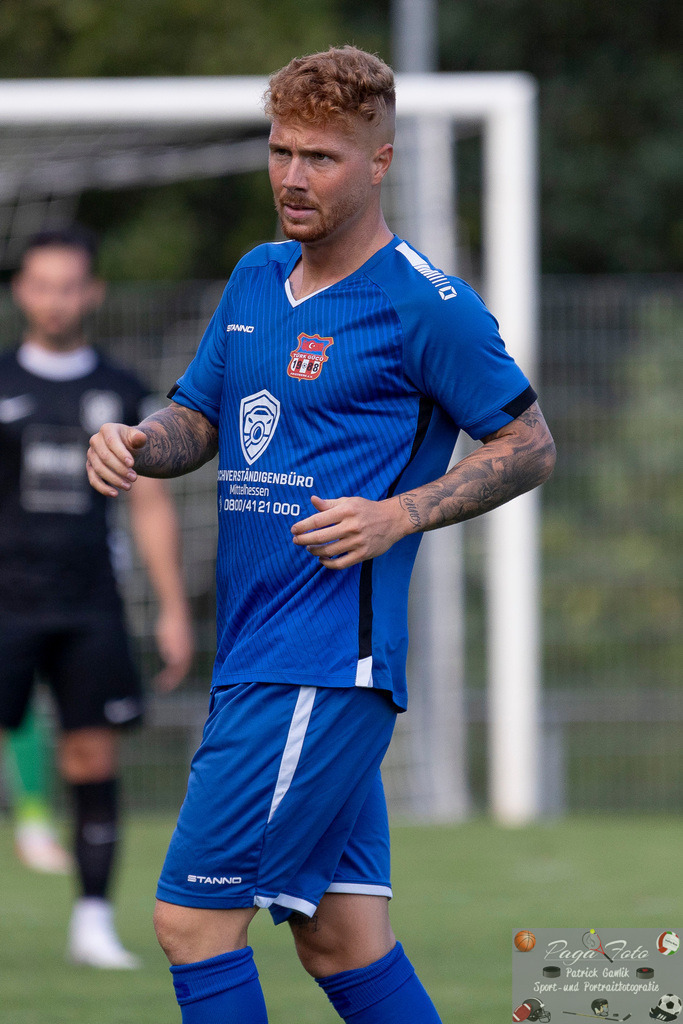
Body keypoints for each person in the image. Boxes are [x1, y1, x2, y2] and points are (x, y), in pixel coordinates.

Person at [87, 45, 556, 1022]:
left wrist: (400, 512)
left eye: (321, 157)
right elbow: (200, 421)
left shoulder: (420, 304)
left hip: (320, 664)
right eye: (279, 150)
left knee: (189, 923)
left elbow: (528, 444)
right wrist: (139, 440)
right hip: (257, 655)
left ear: (378, 161)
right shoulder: (256, 277)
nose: (292, 177)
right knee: (341, 938)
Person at [0, 226, 194, 969]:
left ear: (93, 292)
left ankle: (91, 921)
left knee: (90, 755)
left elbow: (148, 507)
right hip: (5, 602)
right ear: (24, 291)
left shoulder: (119, 388)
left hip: (89, 606)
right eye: (42, 285)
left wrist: (172, 607)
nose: (56, 300)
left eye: (69, 285)